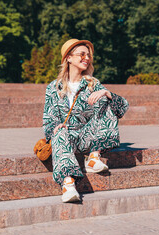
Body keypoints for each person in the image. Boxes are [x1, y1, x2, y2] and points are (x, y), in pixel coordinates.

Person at [43, 39, 129, 203]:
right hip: (65, 139)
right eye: (82, 54)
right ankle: (68, 186)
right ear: (68, 58)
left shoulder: (92, 83)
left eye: (88, 55)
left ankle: (93, 158)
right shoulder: (53, 87)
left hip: (88, 138)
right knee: (59, 131)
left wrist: (106, 93)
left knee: (105, 100)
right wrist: (55, 127)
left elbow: (123, 107)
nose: (87, 58)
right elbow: (48, 118)